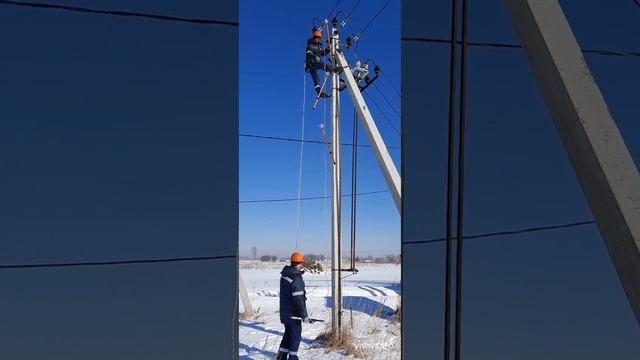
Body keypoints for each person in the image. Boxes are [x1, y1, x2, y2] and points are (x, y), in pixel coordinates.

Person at [276, 252, 309, 360]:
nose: (301, 265)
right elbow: (298, 299)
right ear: (297, 264)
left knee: (288, 335)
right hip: (293, 314)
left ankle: (281, 357)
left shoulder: (285, 274)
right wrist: (304, 315)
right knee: (295, 337)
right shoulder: (296, 278)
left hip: (285, 313)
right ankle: (293, 358)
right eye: (300, 263)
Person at [305, 27, 334, 98]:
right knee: (321, 65)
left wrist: (328, 49)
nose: (319, 40)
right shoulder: (311, 45)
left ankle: (319, 92)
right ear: (315, 38)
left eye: (319, 39)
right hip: (311, 64)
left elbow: (322, 53)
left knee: (316, 78)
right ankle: (332, 70)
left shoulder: (319, 47)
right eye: (318, 38)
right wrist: (311, 60)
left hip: (315, 63)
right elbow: (309, 53)